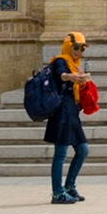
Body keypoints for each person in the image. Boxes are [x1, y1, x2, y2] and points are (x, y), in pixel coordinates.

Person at [45, 32, 91, 204]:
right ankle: (57, 193)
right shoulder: (60, 61)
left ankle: (69, 186)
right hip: (62, 113)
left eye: (81, 49)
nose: (79, 52)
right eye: (76, 48)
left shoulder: (74, 64)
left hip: (72, 112)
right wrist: (71, 77)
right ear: (68, 47)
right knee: (61, 153)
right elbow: (60, 75)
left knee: (83, 150)